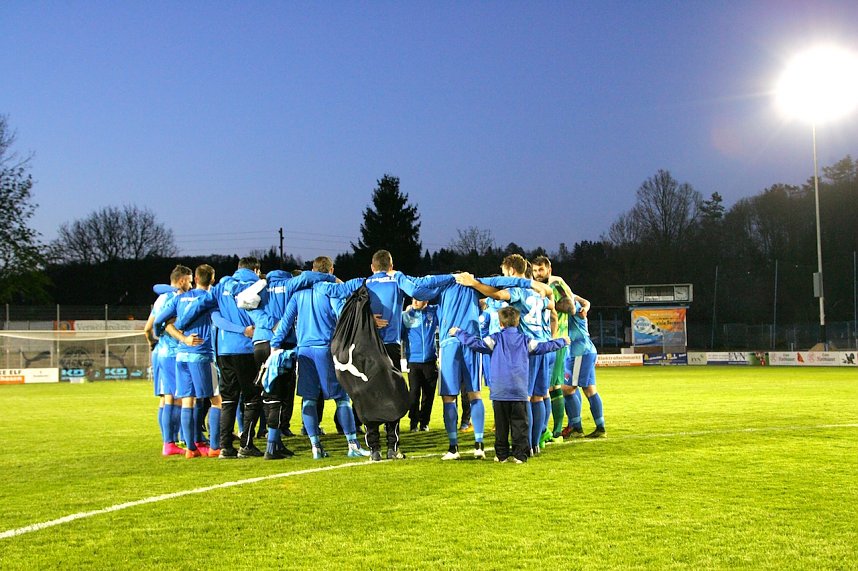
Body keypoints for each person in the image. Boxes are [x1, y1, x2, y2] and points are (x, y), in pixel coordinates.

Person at [393, 270, 542, 460]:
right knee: (474, 393)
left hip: (449, 342)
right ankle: (478, 446)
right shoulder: (474, 283)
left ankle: (453, 448)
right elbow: (500, 280)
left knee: (449, 397)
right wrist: (530, 284)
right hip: (472, 342)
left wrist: (397, 276)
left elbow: (418, 290)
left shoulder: (443, 286)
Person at [454, 254, 557, 455]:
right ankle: (535, 444)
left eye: (503, 271)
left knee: (525, 398)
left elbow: (499, 296)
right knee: (539, 397)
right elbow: (551, 304)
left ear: (510, 270)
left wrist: (474, 283)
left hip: (527, 348)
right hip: (543, 344)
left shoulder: (517, 289)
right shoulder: (536, 290)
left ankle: (525, 446)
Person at [271, 256, 370, 460]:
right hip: (325, 349)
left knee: (308, 398)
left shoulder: (298, 294)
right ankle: (352, 444)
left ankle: (316, 447)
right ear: (331, 270)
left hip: (304, 351)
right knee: (341, 398)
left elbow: (285, 323)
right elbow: (342, 315)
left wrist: (275, 345)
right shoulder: (329, 290)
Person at [450, 307, 567, 463]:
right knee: (520, 425)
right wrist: (562, 341)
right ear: (518, 322)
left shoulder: (495, 338)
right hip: (519, 390)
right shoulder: (525, 340)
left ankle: (502, 455)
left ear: (500, 323)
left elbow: (476, 344)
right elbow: (542, 347)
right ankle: (520, 455)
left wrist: (459, 332)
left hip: (500, 391)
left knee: (501, 425)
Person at [156, 264, 221, 459]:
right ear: (211, 280)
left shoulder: (179, 298)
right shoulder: (210, 298)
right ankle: (215, 447)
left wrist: (182, 338)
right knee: (216, 400)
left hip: (181, 356)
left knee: (187, 401)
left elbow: (162, 322)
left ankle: (191, 449)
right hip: (200, 354)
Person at [144, 265, 192, 456]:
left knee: (165, 398)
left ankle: (170, 440)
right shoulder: (175, 298)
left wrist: (152, 343)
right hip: (172, 352)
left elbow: (147, 328)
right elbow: (160, 325)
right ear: (181, 281)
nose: (191, 284)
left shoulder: (161, 298)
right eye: (189, 280)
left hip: (160, 352)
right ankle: (171, 441)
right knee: (177, 397)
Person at [532, 255, 573, 442]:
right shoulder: (537, 287)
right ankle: (546, 430)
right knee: (545, 387)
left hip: (556, 342)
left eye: (540, 270)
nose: (537, 274)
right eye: (534, 270)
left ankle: (556, 432)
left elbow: (570, 307)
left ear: (549, 270)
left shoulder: (556, 285)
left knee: (553, 386)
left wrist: (547, 305)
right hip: (544, 343)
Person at [556, 292, 606, 439]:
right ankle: (600, 427)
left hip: (579, 352)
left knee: (567, 388)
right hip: (585, 351)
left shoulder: (573, 307)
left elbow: (570, 302)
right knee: (590, 390)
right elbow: (578, 298)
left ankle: (576, 427)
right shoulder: (576, 303)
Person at [402, 299, 439, 432]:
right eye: (413, 299)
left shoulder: (434, 312)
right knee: (413, 394)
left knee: (428, 395)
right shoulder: (406, 316)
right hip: (414, 361)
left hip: (430, 361)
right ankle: (413, 422)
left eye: (419, 299)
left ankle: (424, 423)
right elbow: (399, 335)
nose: (415, 302)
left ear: (426, 301)